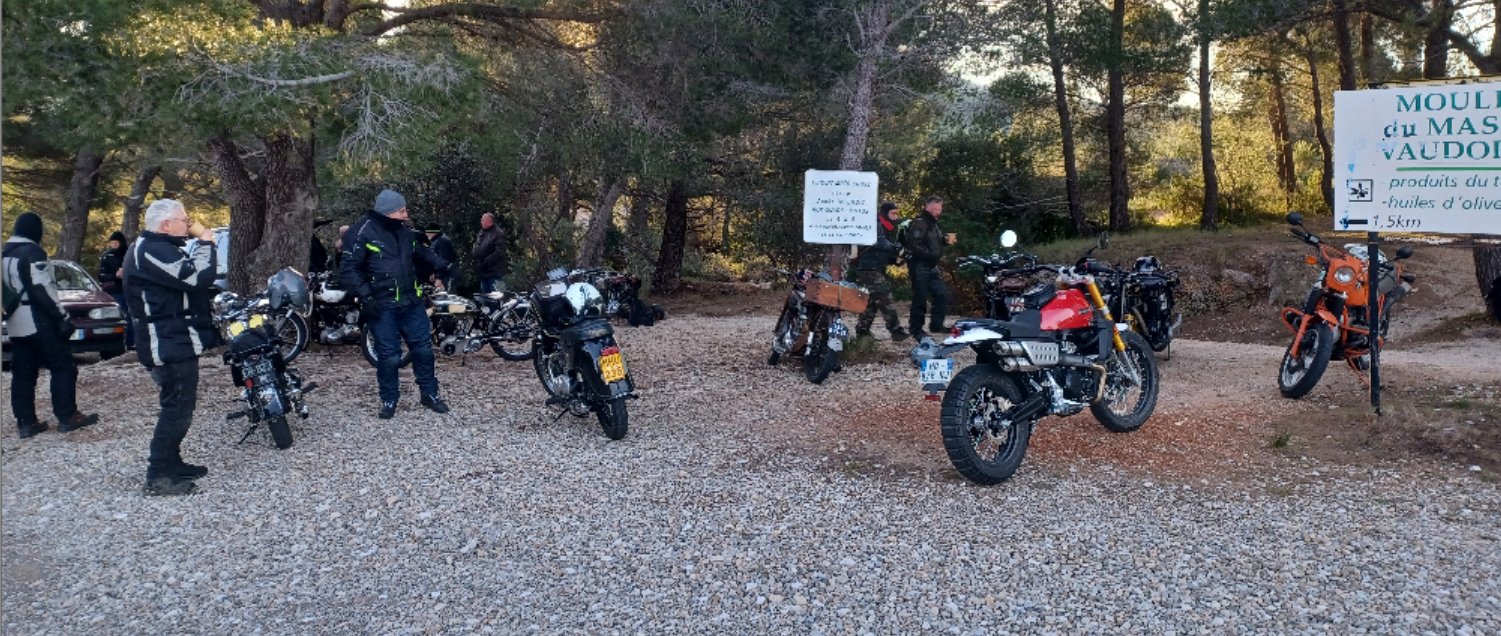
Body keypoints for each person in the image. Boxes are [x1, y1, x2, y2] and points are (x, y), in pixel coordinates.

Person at [122, 199, 220, 496]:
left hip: (175, 339)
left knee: (181, 405)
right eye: (183, 219)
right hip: (165, 342)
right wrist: (206, 243)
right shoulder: (151, 249)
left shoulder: (159, 246)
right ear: (165, 225)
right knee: (176, 407)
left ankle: (172, 462)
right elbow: (196, 277)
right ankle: (158, 475)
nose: (188, 223)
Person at [340, 189, 455, 419]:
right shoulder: (361, 232)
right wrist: (365, 297)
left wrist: (445, 266)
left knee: (423, 350)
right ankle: (389, 399)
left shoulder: (405, 233)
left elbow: (423, 254)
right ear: (389, 211)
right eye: (402, 210)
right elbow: (348, 270)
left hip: (411, 301)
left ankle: (429, 394)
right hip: (382, 305)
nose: (406, 214)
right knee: (389, 356)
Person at [3, 213, 101, 439]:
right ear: (35, 230)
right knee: (63, 367)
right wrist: (62, 317)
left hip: (16, 321)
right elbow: (42, 289)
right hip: (39, 319)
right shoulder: (32, 252)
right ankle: (68, 416)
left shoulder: (4, 252)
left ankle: (26, 422)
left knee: (23, 372)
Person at [853, 202, 909, 342]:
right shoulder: (876, 225)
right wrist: (897, 249)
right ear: (885, 213)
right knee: (885, 297)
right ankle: (895, 330)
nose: (895, 216)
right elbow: (879, 243)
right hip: (869, 268)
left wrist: (894, 260)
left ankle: (862, 331)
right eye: (892, 213)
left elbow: (882, 251)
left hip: (874, 268)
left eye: (897, 213)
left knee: (871, 301)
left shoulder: (886, 227)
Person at [904, 196, 955, 339]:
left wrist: (945, 240)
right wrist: (930, 254)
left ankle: (936, 325)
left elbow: (934, 242)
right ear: (927, 207)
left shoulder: (933, 224)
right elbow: (914, 244)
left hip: (931, 266)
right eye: (935, 209)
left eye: (939, 209)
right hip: (919, 265)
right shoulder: (920, 222)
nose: (937, 212)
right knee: (920, 296)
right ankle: (916, 329)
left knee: (941, 294)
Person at [98, 230, 132, 348]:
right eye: (112, 243)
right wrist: (115, 276)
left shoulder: (129, 254)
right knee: (118, 316)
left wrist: (125, 272)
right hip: (114, 291)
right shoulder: (107, 256)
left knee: (130, 316)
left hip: (129, 289)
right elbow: (101, 275)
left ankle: (131, 342)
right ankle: (117, 343)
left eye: (116, 243)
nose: (114, 245)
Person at [471, 213, 508, 293]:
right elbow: (478, 245)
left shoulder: (498, 234)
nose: (481, 221)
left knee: (497, 295)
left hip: (494, 272)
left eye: (483, 220)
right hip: (483, 272)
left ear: (489, 221)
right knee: (485, 296)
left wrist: (485, 262)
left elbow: (499, 252)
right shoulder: (482, 232)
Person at [423, 223, 457, 290]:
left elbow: (444, 261)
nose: (426, 235)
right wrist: (433, 272)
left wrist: (439, 277)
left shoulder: (442, 242)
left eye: (427, 232)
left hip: (447, 275)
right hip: (443, 274)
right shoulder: (436, 241)